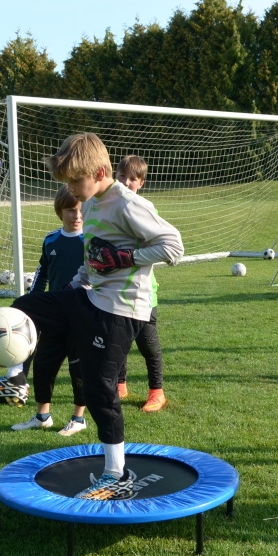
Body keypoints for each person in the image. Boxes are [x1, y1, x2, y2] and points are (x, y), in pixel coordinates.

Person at [0, 133, 184, 497]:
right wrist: (79, 280)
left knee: (100, 391)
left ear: (99, 171)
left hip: (122, 311)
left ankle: (117, 473)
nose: (70, 189)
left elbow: (173, 246)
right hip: (92, 298)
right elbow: (95, 257)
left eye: (74, 180)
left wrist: (126, 258)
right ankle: (16, 381)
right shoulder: (94, 202)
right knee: (24, 306)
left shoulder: (127, 204)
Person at [10, 185, 90, 437]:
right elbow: (42, 273)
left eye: (80, 210)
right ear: (60, 212)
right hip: (54, 315)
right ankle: (42, 415)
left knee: (79, 368)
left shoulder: (90, 240)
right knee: (44, 364)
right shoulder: (51, 240)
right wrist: (34, 302)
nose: (76, 216)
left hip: (81, 314)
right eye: (70, 210)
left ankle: (78, 418)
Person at [115, 155, 167, 412]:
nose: (125, 183)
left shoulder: (146, 209)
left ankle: (157, 392)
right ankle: (120, 385)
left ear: (141, 183)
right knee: (120, 342)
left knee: (148, 346)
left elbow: (162, 246)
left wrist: (129, 257)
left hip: (144, 293)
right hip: (117, 292)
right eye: (121, 176)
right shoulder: (109, 207)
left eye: (132, 179)